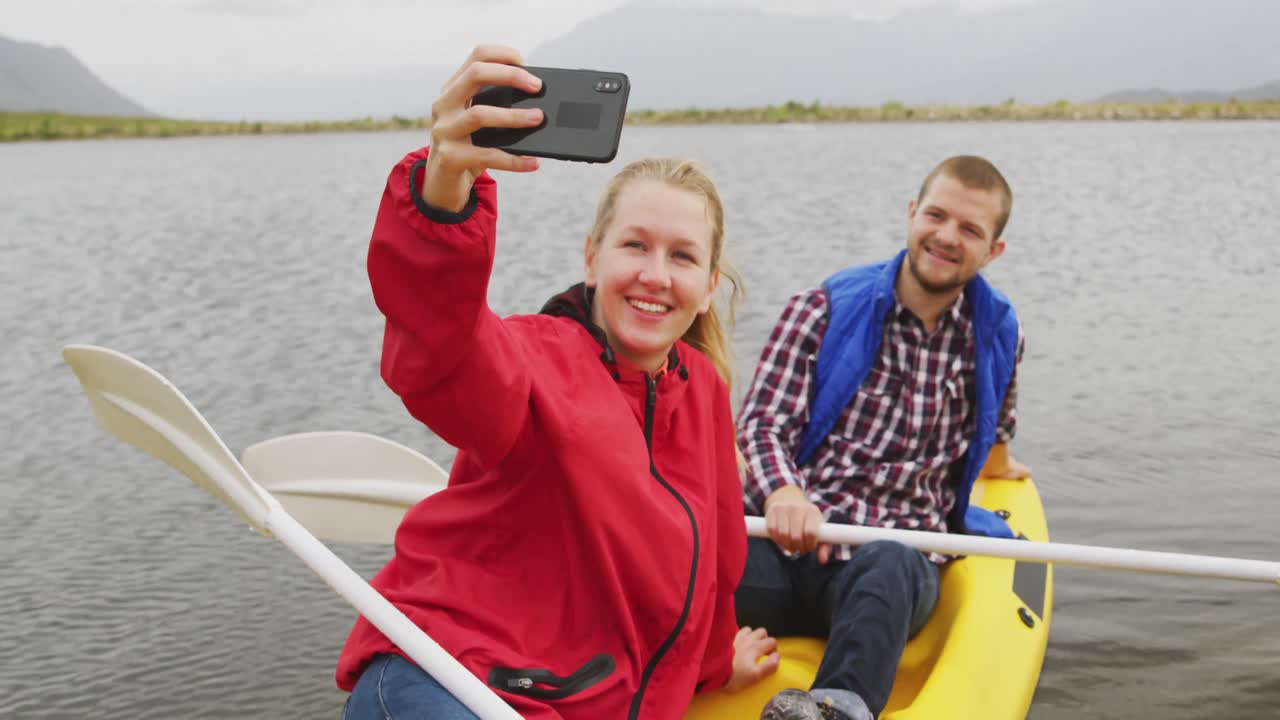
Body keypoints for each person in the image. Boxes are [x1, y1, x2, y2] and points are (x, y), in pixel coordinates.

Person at [334, 45, 778, 719]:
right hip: (443, 677)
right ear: (592, 259)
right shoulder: (537, 357)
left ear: (709, 285)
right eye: (635, 245)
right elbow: (440, 348)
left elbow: (714, 566)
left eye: (682, 256)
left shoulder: (704, 391)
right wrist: (444, 189)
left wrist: (714, 667)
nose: (656, 274)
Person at [735, 156, 1030, 720]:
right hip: (788, 545)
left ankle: (832, 709)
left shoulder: (998, 334)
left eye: (970, 229)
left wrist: (1004, 466)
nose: (946, 237)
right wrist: (785, 494)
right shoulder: (822, 308)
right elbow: (762, 424)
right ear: (912, 213)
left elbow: (998, 423)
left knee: (890, 562)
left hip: (887, 567)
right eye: (937, 216)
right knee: (692, 559)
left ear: (993, 251)